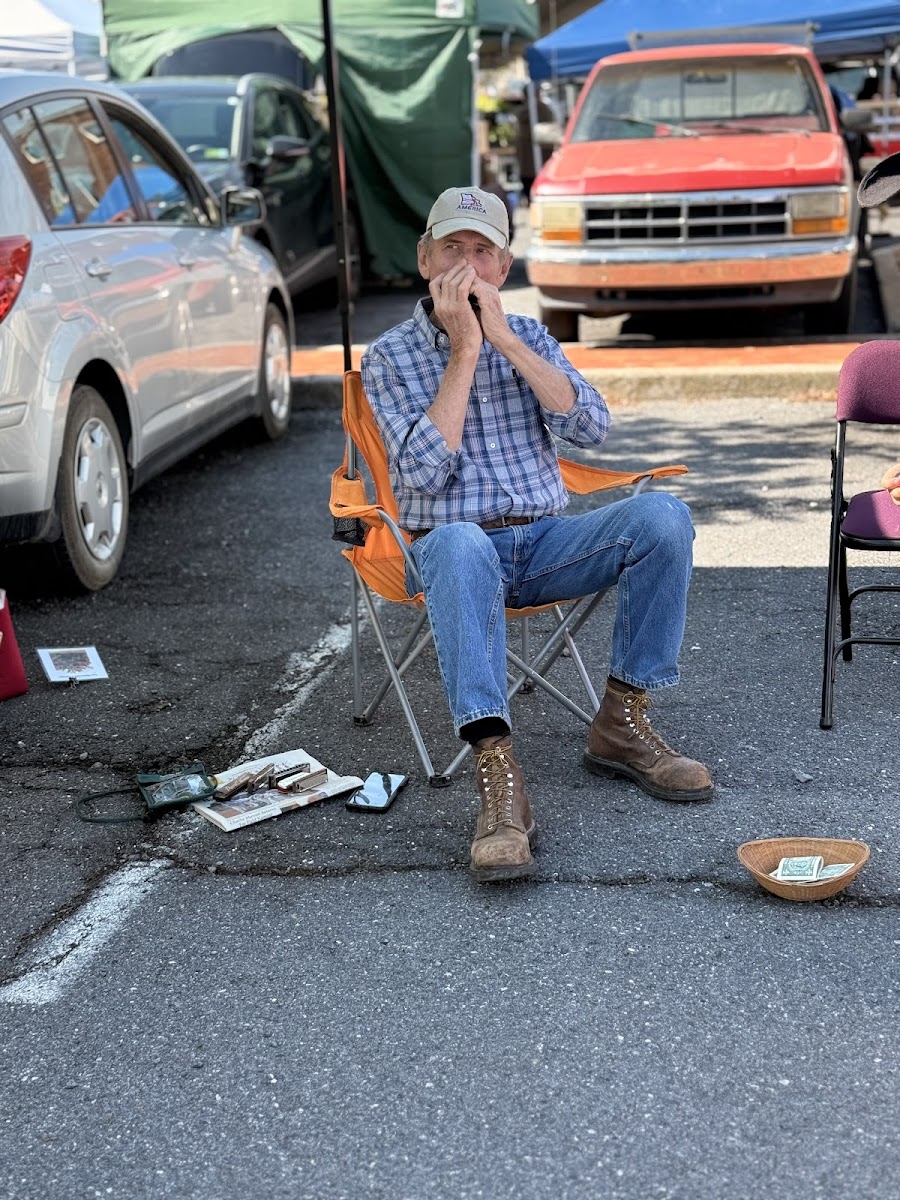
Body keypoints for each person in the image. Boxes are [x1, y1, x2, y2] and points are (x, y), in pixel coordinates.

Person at [361, 186, 713, 884]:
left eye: (482, 252)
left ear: (503, 267)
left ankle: (622, 722)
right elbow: (423, 475)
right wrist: (464, 352)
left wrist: (505, 342)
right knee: (459, 541)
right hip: (450, 553)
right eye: (452, 249)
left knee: (663, 517)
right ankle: (498, 777)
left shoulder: (530, 335)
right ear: (424, 258)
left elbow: (591, 427)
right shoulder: (390, 357)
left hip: (547, 544)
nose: (466, 265)